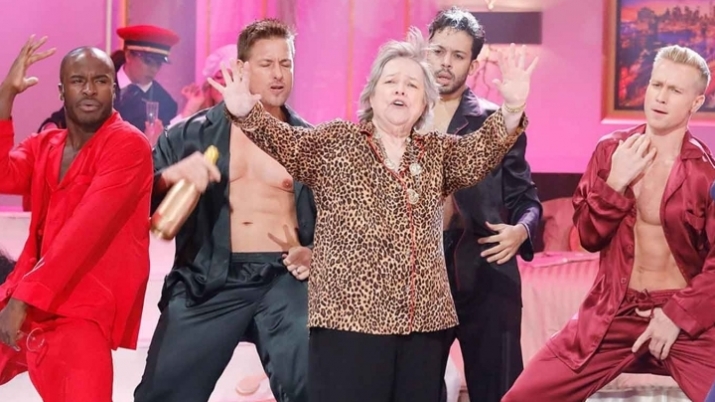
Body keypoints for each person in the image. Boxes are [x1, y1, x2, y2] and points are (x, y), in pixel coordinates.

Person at [210, 27, 537, 402]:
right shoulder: (337, 142)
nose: (401, 90)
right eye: (391, 81)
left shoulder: (437, 152)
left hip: (424, 327)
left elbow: (481, 150)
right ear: (372, 93)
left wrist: (512, 108)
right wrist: (245, 112)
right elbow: (285, 141)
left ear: (425, 102)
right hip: (350, 325)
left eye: (412, 85)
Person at [503, 45, 715, 402]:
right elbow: (588, 237)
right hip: (614, 309)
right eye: (656, 84)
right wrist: (615, 183)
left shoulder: (705, 173)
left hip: (679, 315)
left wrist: (677, 316)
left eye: (675, 90)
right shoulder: (610, 151)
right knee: (523, 397)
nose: (661, 97)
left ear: (695, 103)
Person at [134, 19, 314, 402]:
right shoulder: (188, 135)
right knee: (162, 390)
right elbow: (135, 200)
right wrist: (169, 177)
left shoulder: (308, 141)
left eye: (286, 63)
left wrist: (317, 252)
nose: (278, 74)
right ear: (242, 68)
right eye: (267, 64)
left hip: (284, 277)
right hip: (207, 276)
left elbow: (343, 216)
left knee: (314, 382)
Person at [0, 37, 153, 401]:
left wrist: (20, 302)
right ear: (61, 91)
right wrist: (6, 95)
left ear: (114, 89)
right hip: (29, 297)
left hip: (81, 308)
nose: (89, 89)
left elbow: (82, 233)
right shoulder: (46, 145)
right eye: (77, 80)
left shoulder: (128, 146)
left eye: (100, 80)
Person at [425, 8, 542, 402]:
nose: (445, 63)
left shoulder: (498, 122)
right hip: (419, 276)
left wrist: (520, 231)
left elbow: (526, 200)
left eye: (458, 55)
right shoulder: (402, 117)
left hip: (488, 270)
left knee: (499, 391)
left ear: (473, 65)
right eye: (438, 51)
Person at [115, 24, 179, 134]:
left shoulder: (165, 102)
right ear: (128, 55)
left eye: (158, 64)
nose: (154, 70)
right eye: (148, 61)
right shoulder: (99, 86)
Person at [169, 44, 234, 126]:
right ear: (209, 84)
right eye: (219, 77)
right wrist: (190, 108)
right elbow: (171, 133)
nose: (224, 82)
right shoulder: (200, 119)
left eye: (231, 79)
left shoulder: (244, 121)